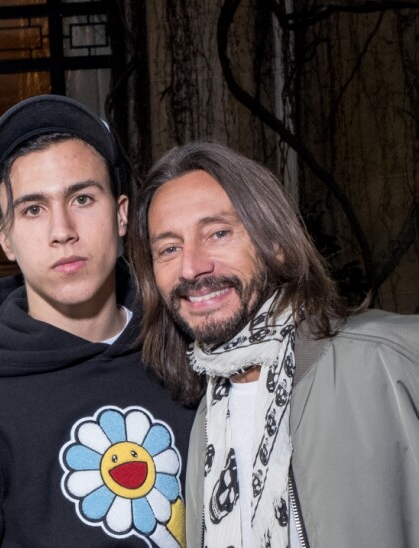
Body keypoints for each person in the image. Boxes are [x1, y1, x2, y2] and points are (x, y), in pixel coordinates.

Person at [0, 95, 196, 547]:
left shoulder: (191, 348)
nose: (62, 230)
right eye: (33, 209)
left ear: (121, 214)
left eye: (82, 198)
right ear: (4, 236)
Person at [129, 141, 419, 548]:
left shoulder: (390, 362)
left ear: (277, 246)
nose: (192, 266)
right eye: (169, 248)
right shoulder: (208, 417)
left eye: (218, 233)